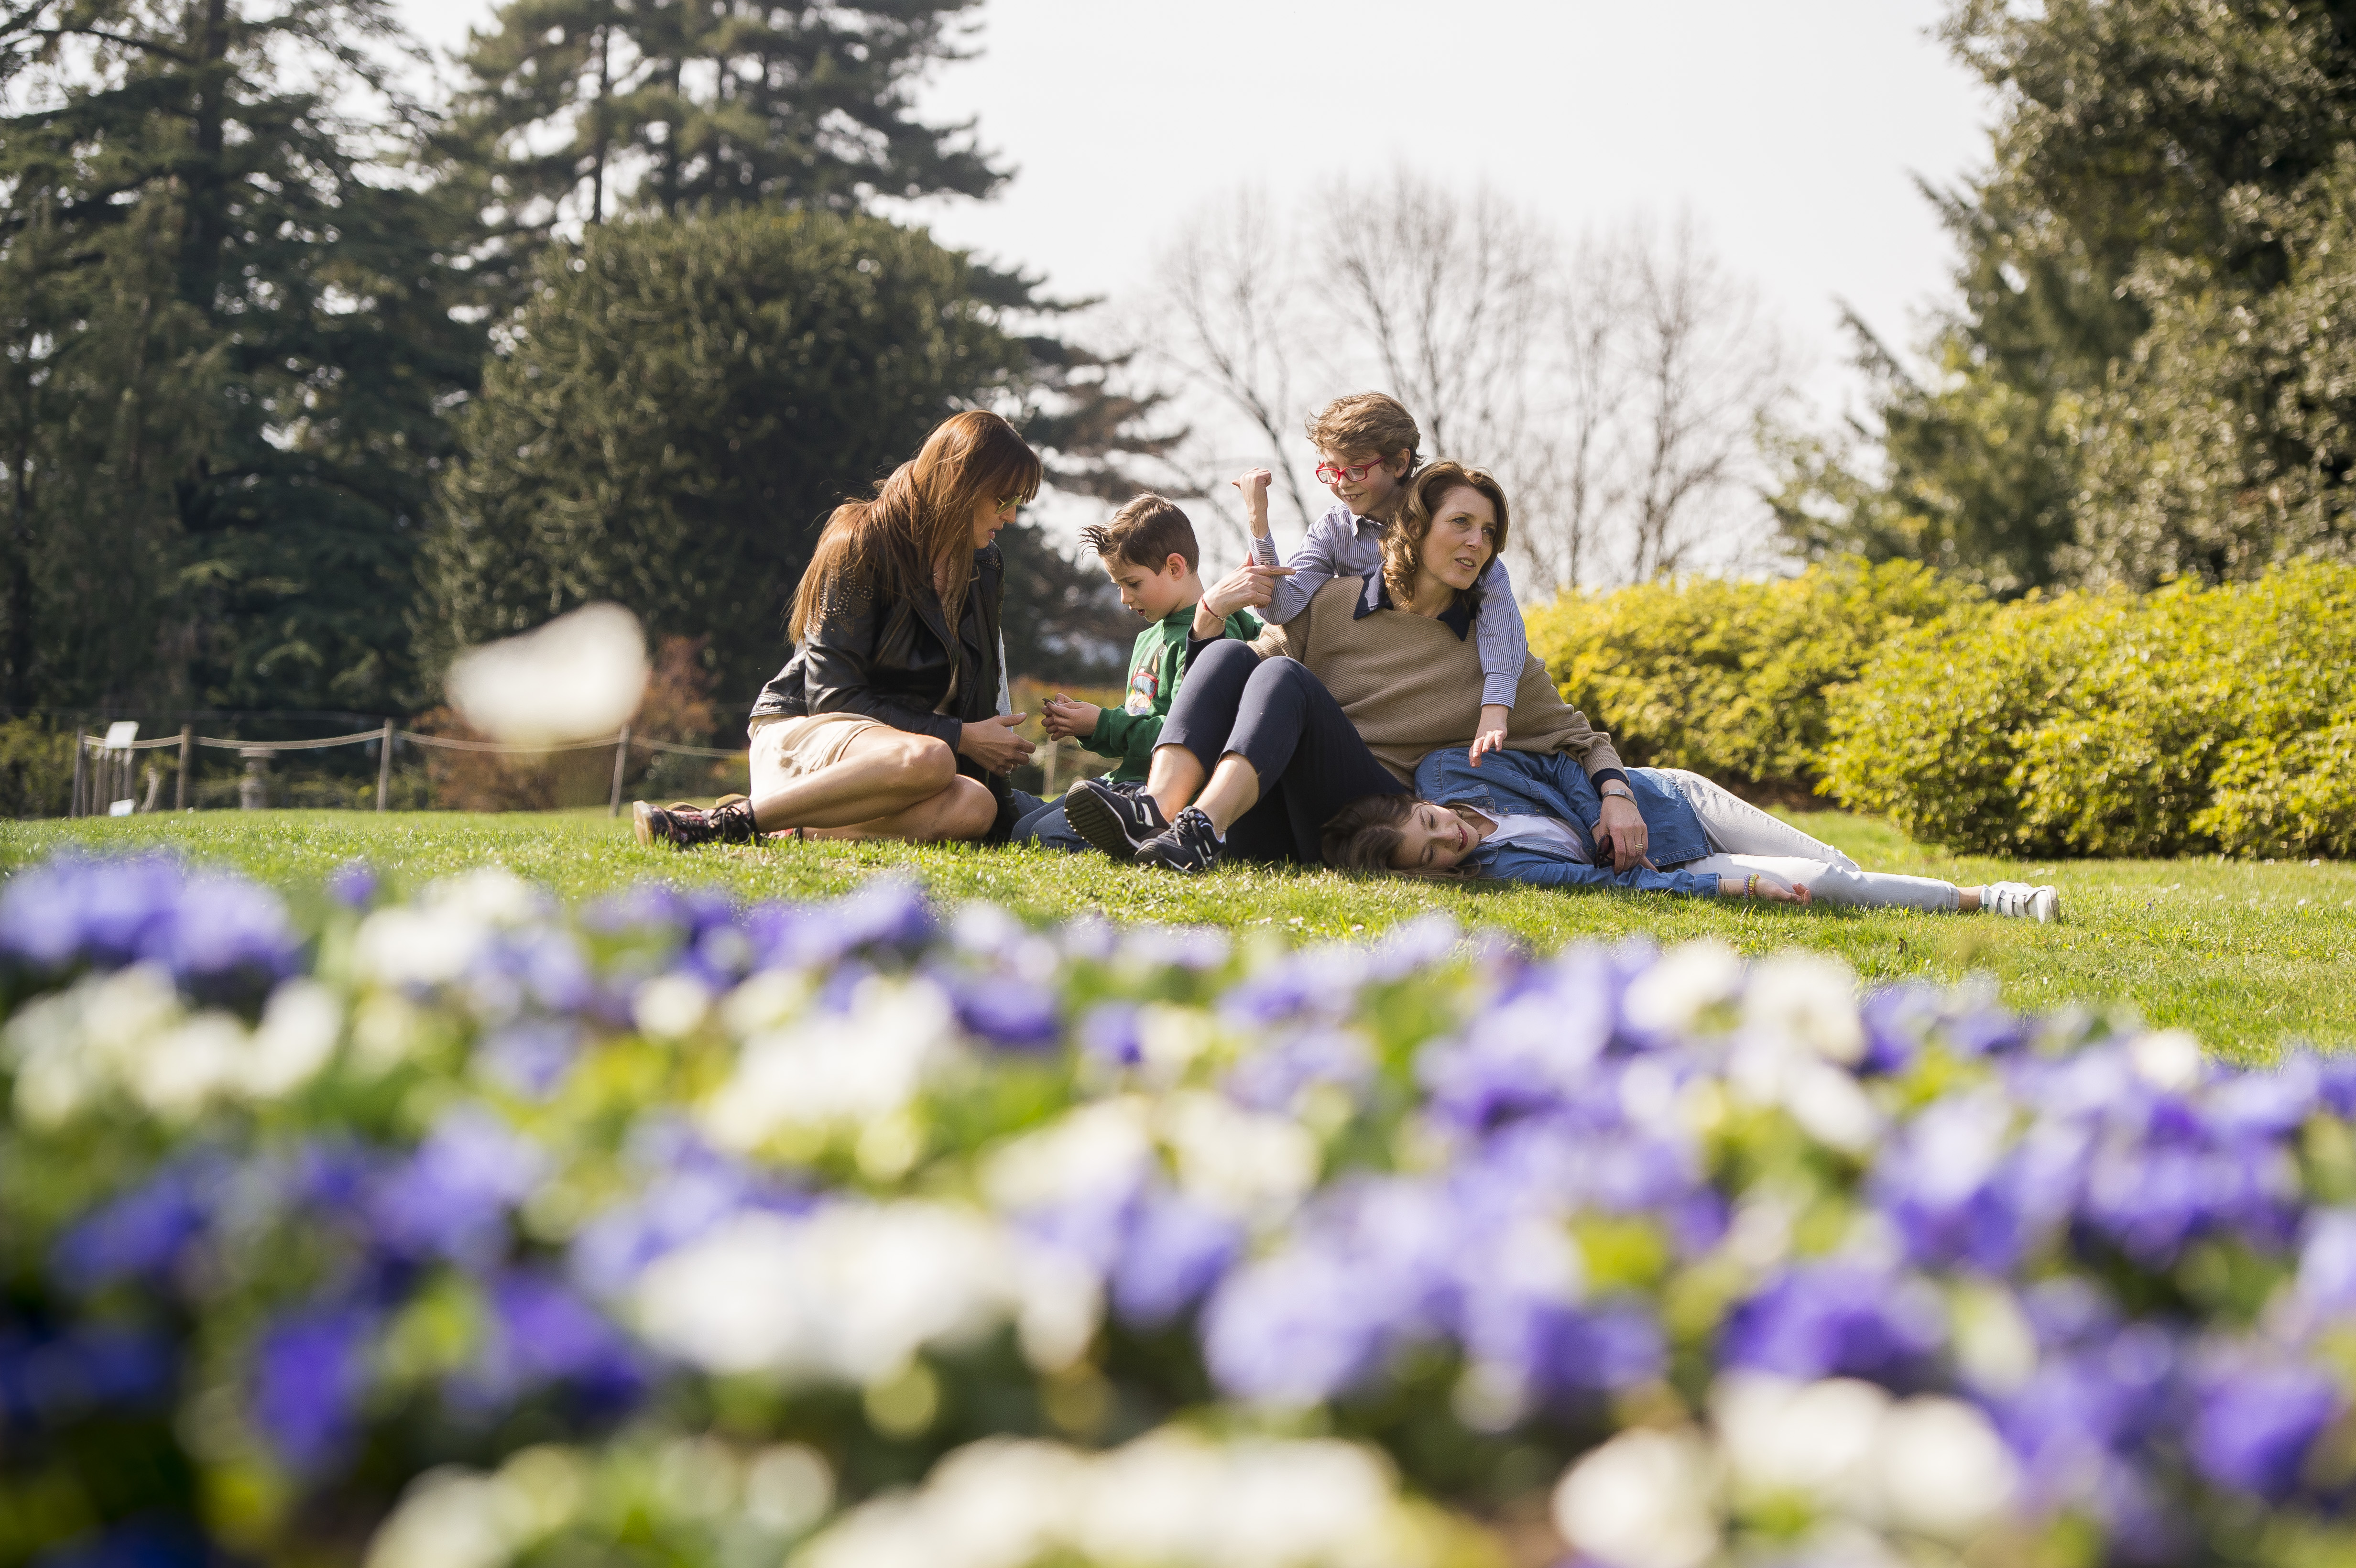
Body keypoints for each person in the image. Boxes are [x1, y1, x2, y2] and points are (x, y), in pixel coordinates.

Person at [1061, 460, 1648, 873]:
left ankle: (1198, 827)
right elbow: (1232, 686)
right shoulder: (1334, 603)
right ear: (1415, 530)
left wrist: (1617, 796)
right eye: (1461, 524)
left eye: (1489, 532)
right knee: (1229, 654)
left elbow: (1580, 738)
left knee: (1284, 676)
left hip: (1367, 825)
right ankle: (1158, 810)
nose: (1478, 543)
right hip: (1263, 810)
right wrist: (1208, 618)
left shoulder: (1497, 656)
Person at [633, 410, 1040, 849]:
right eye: (1003, 499)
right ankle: (724, 822)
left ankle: (787, 826)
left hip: (903, 765)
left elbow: (975, 701)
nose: (1012, 516)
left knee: (976, 807)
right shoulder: (862, 542)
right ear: (959, 481)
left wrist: (1007, 806)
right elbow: (833, 696)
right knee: (932, 755)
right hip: (810, 737)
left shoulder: (985, 565)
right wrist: (959, 737)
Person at [1323, 751, 2063, 920]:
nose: (1449, 837)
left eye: (1429, 823)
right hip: (1689, 855)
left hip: (1674, 797)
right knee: (1832, 884)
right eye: (1433, 855)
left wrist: (1607, 809)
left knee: (1835, 862)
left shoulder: (1453, 768)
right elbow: (1620, 883)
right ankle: (1998, 899)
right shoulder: (1505, 871)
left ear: (1419, 800)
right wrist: (1731, 886)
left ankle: (1922, 895)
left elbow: (1560, 763)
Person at [1208, 392, 1528, 765]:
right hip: (1365, 690)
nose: (1342, 483)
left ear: (1399, 462)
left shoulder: (1448, 527)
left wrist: (1495, 707)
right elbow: (1282, 606)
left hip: (1433, 689)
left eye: (1356, 469)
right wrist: (1257, 521)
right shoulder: (1334, 530)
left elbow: (1502, 624)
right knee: (1226, 659)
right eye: (1331, 470)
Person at [1016, 495, 1264, 851]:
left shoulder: (1213, 638)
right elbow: (1139, 718)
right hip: (1125, 781)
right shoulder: (1149, 637)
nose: (1123, 598)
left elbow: (1189, 737)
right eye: (1118, 585)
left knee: (1039, 836)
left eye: (1132, 584)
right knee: (1024, 827)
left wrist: (1102, 723)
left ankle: (1155, 837)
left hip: (1160, 796)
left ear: (1176, 567)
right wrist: (1089, 725)